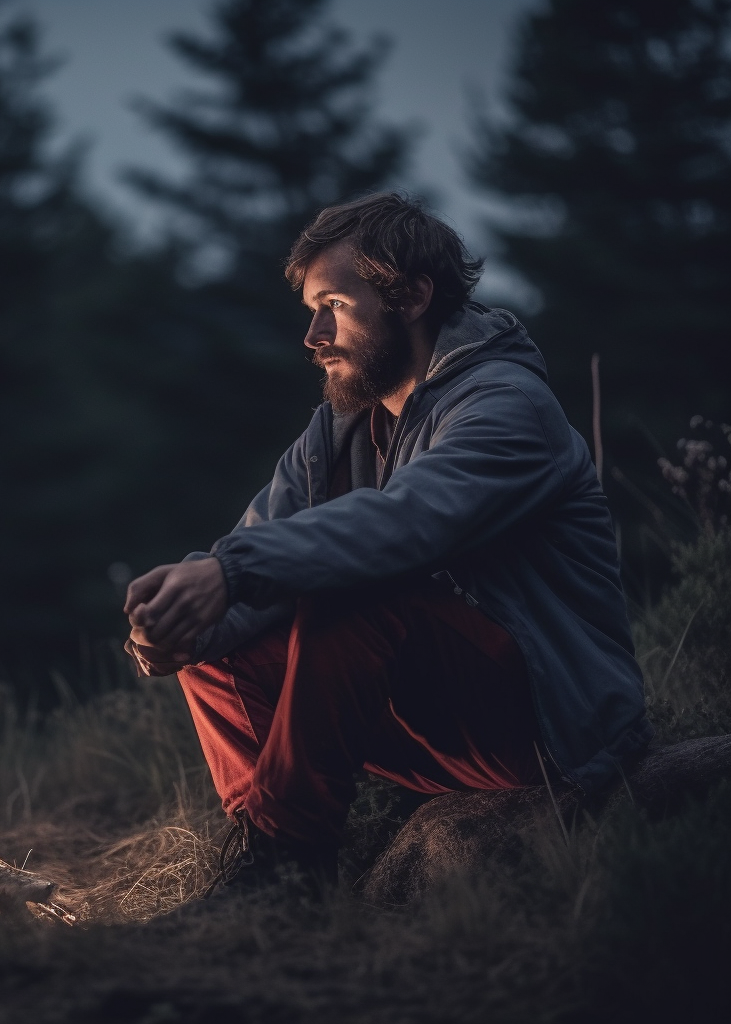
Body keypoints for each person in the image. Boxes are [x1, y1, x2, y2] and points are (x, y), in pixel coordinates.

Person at [123, 192, 652, 892]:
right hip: (438, 719)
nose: (313, 335)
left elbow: (408, 523)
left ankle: (285, 872)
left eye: (334, 306)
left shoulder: (508, 406)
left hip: (554, 731)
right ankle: (267, 854)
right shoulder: (335, 434)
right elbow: (261, 553)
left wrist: (229, 569)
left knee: (351, 598)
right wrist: (172, 626)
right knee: (212, 634)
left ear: (411, 297)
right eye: (311, 311)